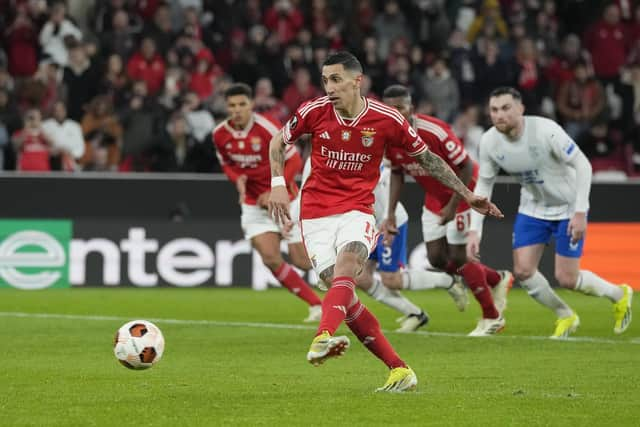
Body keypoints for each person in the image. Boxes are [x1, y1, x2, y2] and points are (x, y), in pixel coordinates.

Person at [268, 51, 502, 392]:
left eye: (336, 79)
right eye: (325, 80)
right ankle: (398, 369)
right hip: (316, 215)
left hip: (358, 210)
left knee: (348, 268)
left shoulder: (386, 118)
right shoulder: (313, 111)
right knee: (344, 295)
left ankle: (322, 337)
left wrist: (467, 194)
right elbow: (278, 141)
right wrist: (277, 186)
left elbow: (427, 157)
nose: (329, 87)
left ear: (356, 81)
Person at [467, 86, 633, 339]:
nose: (499, 115)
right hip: (532, 208)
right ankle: (565, 315)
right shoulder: (490, 141)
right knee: (523, 271)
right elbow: (484, 185)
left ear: (520, 109)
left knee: (567, 277)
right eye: (494, 110)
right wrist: (474, 230)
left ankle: (619, 295)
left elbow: (583, 164)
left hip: (567, 208)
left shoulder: (545, 131)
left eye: (505, 108)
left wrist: (580, 212)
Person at [382, 85, 514, 337]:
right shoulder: (388, 137)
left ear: (411, 108)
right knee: (437, 259)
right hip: (434, 196)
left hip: (465, 192)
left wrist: (454, 205)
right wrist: (389, 214)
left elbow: (465, 166)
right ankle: (497, 279)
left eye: (400, 107)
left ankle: (492, 316)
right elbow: (397, 173)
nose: (395, 112)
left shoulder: (433, 131)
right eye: (390, 108)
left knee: (459, 254)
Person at [212, 83, 322, 323]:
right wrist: (237, 180)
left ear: (251, 104)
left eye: (242, 104)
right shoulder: (219, 134)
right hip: (253, 203)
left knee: (302, 261)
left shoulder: (268, 127)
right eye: (232, 105)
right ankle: (316, 305)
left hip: (286, 199)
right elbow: (228, 165)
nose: (237, 110)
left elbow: (293, 161)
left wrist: (275, 188)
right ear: (226, 107)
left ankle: (345, 283)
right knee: (270, 258)